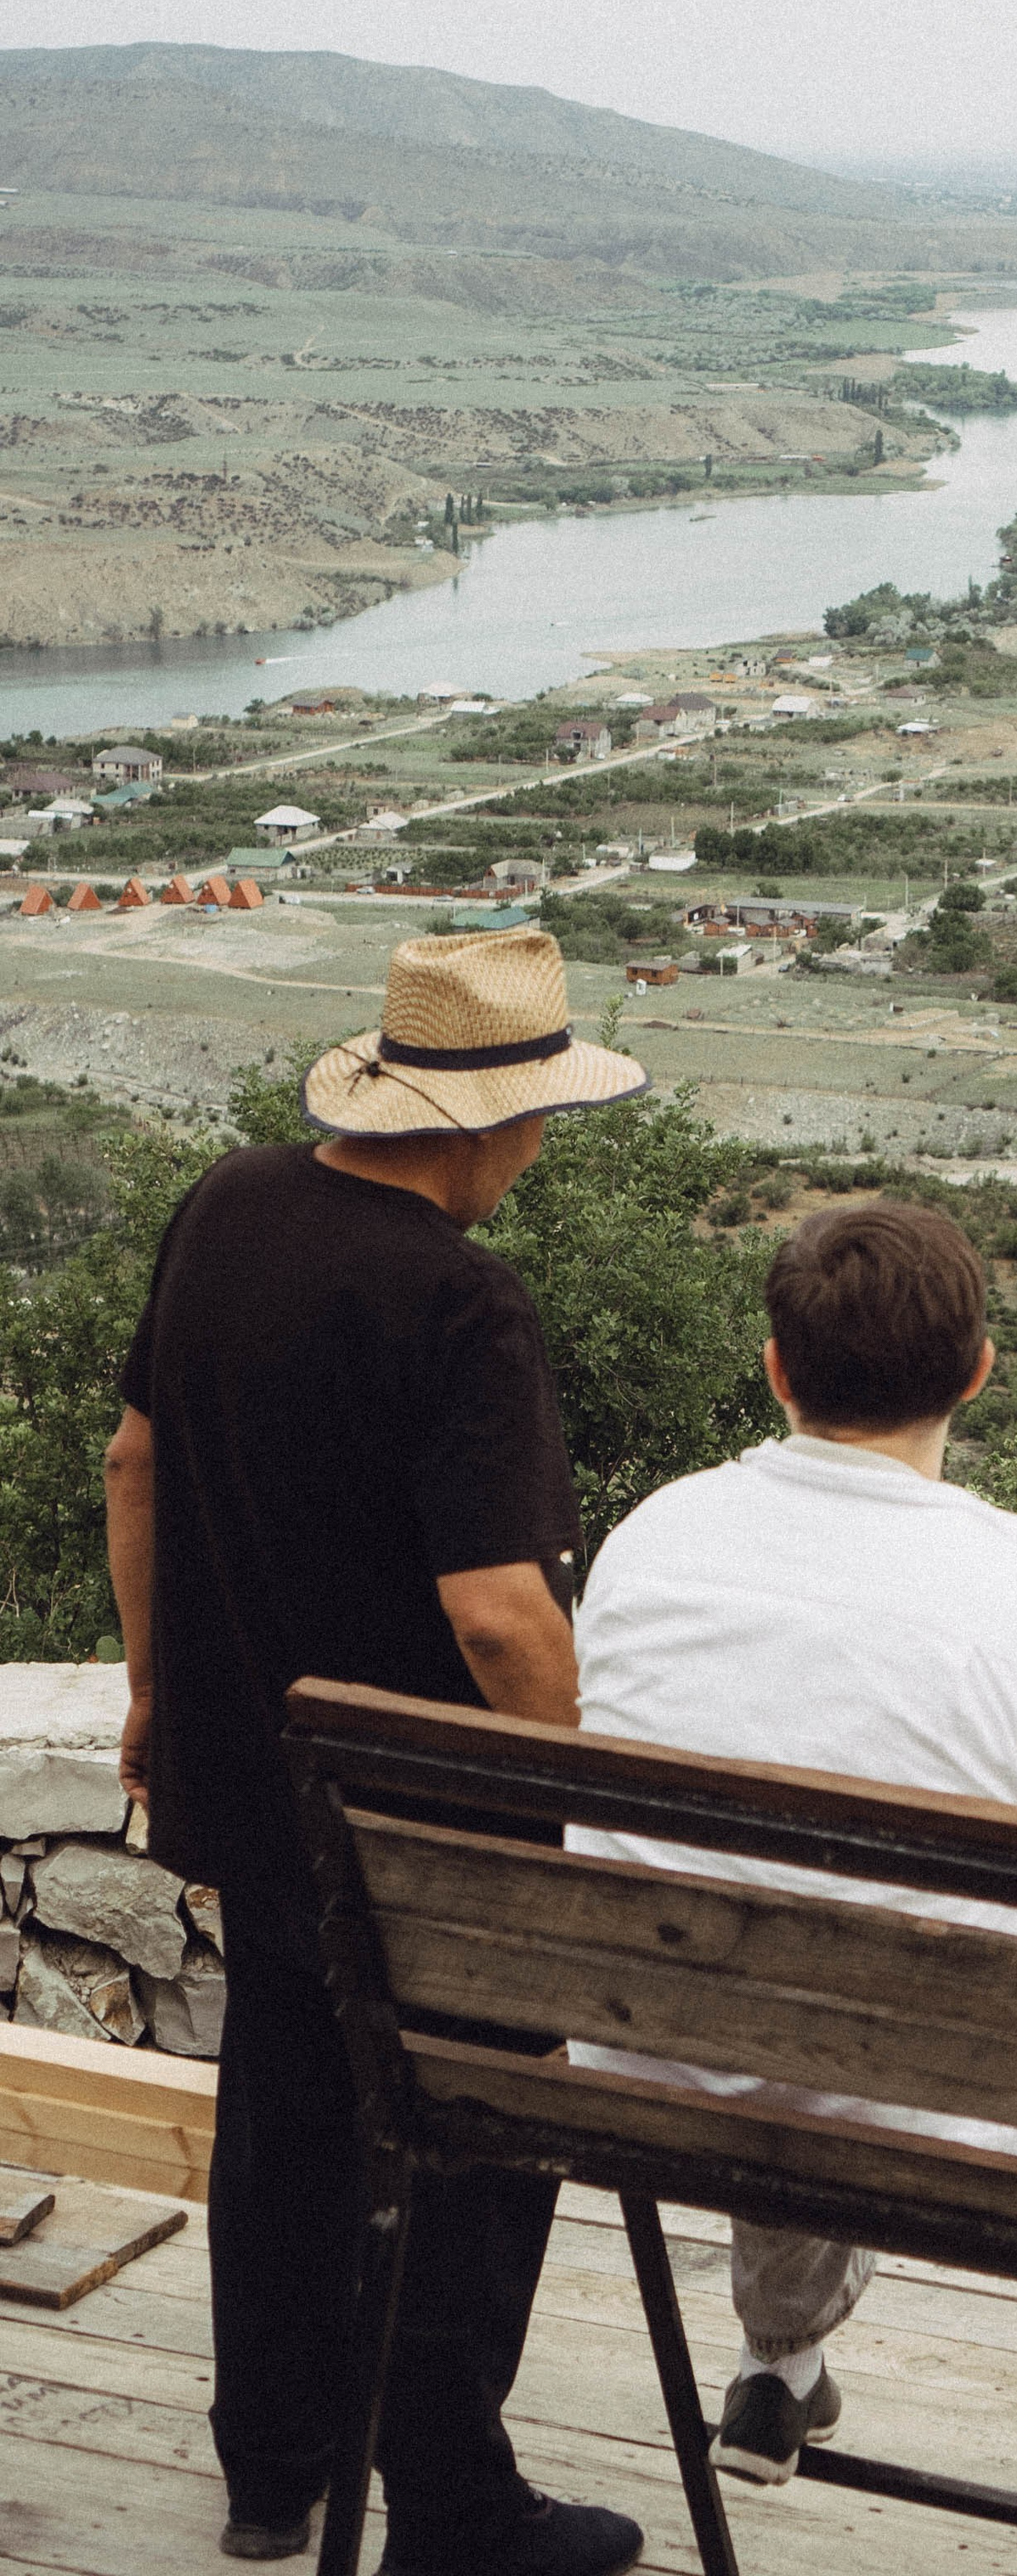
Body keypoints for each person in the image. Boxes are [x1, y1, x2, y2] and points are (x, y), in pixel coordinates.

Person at [569, 1200, 1017, 2574]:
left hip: (658, 2058)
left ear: (776, 1369)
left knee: (786, 1988)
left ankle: (778, 2368)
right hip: (925, 2089)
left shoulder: (651, 1543)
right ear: (977, 1372)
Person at [104, 928, 652, 2576]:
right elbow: (500, 1616)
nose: (542, 1147)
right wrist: (565, 1797)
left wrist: (152, 1688)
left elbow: (132, 1463)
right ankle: (453, 2504)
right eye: (541, 1116)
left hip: (248, 1773)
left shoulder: (226, 1205)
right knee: (481, 2130)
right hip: (418, 1824)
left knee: (284, 2101)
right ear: (485, 1123)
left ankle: (272, 2471)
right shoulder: (463, 1304)